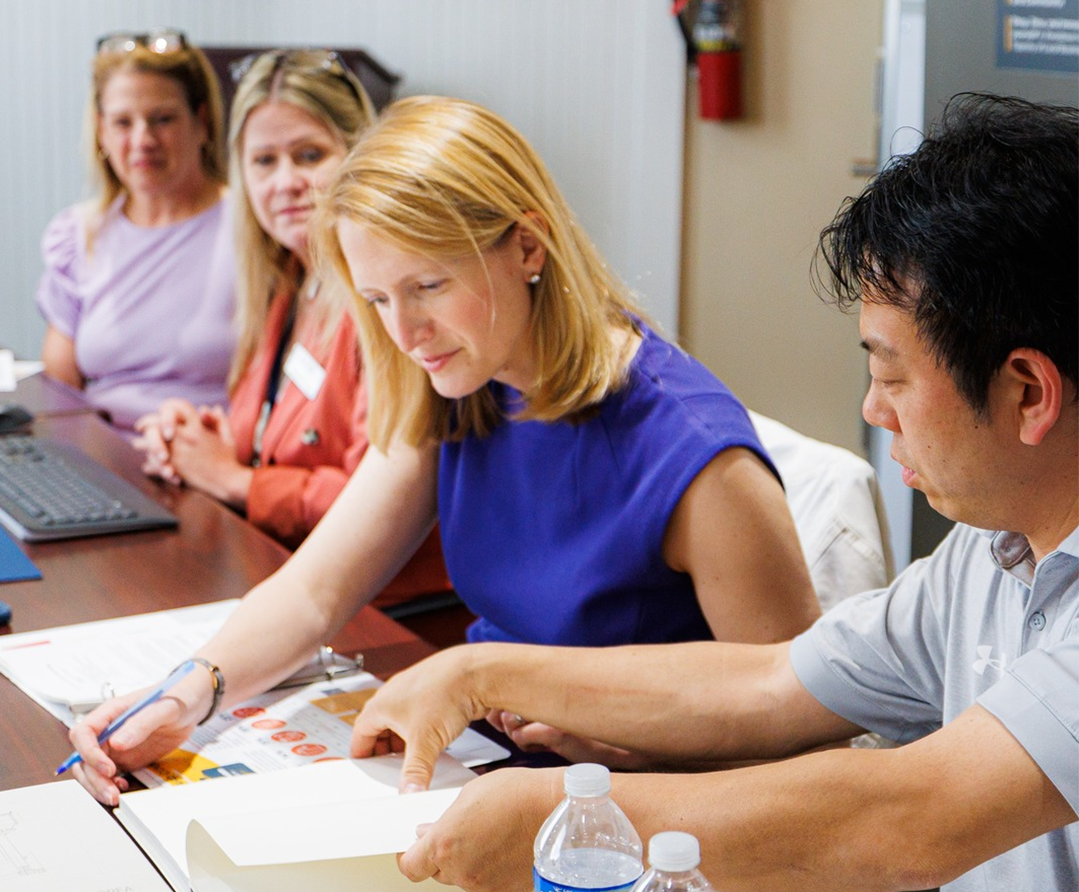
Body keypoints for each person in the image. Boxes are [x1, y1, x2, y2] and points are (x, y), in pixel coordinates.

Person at [324, 93, 1079, 892]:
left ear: (1028, 393)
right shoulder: (988, 550)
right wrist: (482, 674)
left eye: (890, 373)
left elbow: (904, 820)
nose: (872, 407)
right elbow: (771, 681)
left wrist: (569, 818)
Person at [68, 95, 817, 803]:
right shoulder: (463, 381)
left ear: (528, 244)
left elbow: (804, 732)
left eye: (428, 283)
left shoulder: (694, 456)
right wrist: (190, 689)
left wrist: (631, 748)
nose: (404, 332)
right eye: (378, 299)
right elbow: (314, 591)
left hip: (629, 805)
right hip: (495, 770)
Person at [132, 51, 447, 600]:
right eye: (264, 161)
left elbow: (376, 504)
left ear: (360, 156)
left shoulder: (386, 302)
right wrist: (203, 441)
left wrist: (234, 480)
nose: (286, 182)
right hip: (287, 576)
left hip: (385, 607)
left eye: (309, 155)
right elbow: (279, 440)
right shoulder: (290, 285)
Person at [35, 29, 235, 433]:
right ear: (101, 131)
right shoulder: (79, 235)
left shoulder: (252, 227)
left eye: (163, 119)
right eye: (123, 122)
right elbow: (60, 390)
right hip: (101, 458)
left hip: (209, 460)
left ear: (202, 121)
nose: (143, 140)